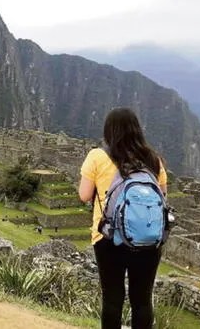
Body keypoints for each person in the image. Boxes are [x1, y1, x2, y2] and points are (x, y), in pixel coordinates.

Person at [78, 107, 168, 329]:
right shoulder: (153, 159)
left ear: (108, 131)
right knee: (142, 300)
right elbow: (162, 196)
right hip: (147, 239)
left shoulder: (97, 156)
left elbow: (84, 195)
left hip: (108, 237)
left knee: (112, 298)